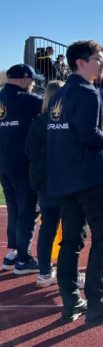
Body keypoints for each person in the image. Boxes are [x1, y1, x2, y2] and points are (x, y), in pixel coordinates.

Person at [47, 40, 103, 324]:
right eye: (98, 58)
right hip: (90, 178)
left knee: (70, 242)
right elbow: (88, 135)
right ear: (81, 62)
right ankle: (97, 301)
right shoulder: (87, 92)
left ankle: (71, 302)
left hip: (65, 179)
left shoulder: (59, 95)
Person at [26, 80, 83, 287]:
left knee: (48, 227)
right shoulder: (68, 120)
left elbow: (28, 152)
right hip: (65, 182)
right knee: (71, 229)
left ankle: (44, 272)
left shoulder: (38, 121)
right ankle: (71, 274)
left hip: (43, 182)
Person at [0, 64, 44, 274]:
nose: (34, 84)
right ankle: (24, 258)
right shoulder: (28, 100)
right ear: (25, 79)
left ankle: (14, 253)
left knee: (14, 209)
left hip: (3, 164)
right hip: (23, 163)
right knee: (28, 210)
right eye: (33, 80)